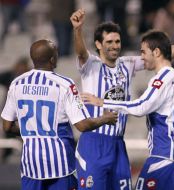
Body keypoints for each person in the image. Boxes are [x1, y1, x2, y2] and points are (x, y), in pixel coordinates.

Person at [70, 9, 174, 190]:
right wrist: (77, 30)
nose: (115, 46)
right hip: (94, 141)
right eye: (109, 42)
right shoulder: (90, 64)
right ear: (98, 44)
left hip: (117, 144)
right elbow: (81, 52)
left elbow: (160, 54)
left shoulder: (126, 64)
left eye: (117, 41)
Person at [0, 39, 118, 190]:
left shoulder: (17, 83)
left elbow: (7, 126)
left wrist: (33, 130)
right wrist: (105, 118)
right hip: (60, 165)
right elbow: (83, 125)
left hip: (31, 165)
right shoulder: (64, 84)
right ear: (52, 59)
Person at [83, 30, 174, 190]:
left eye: (143, 52)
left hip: (165, 154)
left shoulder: (162, 78)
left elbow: (141, 107)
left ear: (156, 52)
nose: (142, 57)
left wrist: (102, 102)